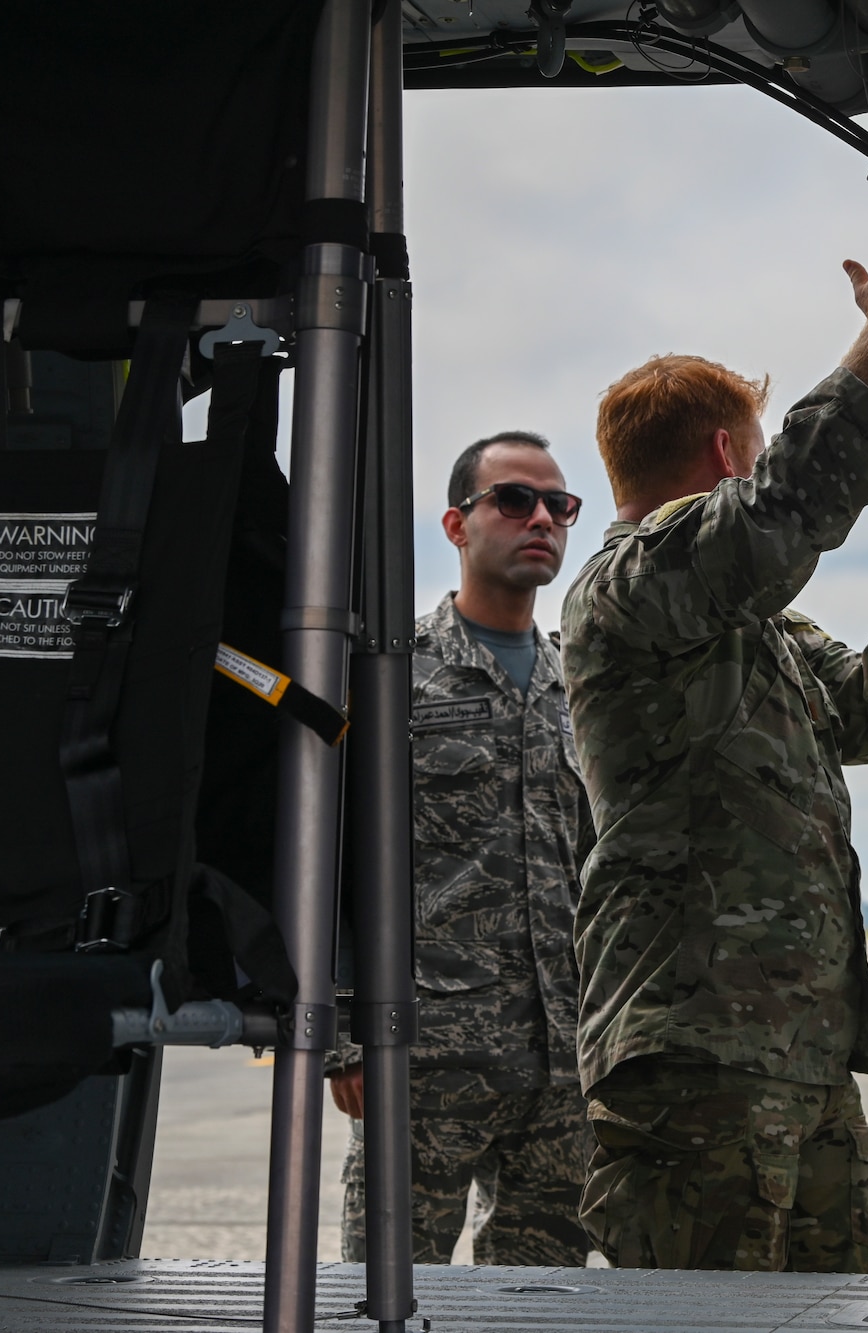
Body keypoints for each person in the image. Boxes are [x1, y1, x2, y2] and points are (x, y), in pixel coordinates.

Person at [560, 253, 868, 1273]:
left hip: (799, 1056)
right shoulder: (633, 587)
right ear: (725, 451)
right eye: (750, 451)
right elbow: (791, 498)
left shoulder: (753, 628)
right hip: (692, 1053)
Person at [331, 430, 598, 1264]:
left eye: (560, 505)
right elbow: (335, 857)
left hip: (563, 1074)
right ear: (456, 524)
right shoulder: (391, 676)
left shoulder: (579, 686)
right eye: (514, 500)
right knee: (386, 1296)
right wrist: (346, 1031)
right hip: (425, 1061)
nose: (542, 519)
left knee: (544, 1309)